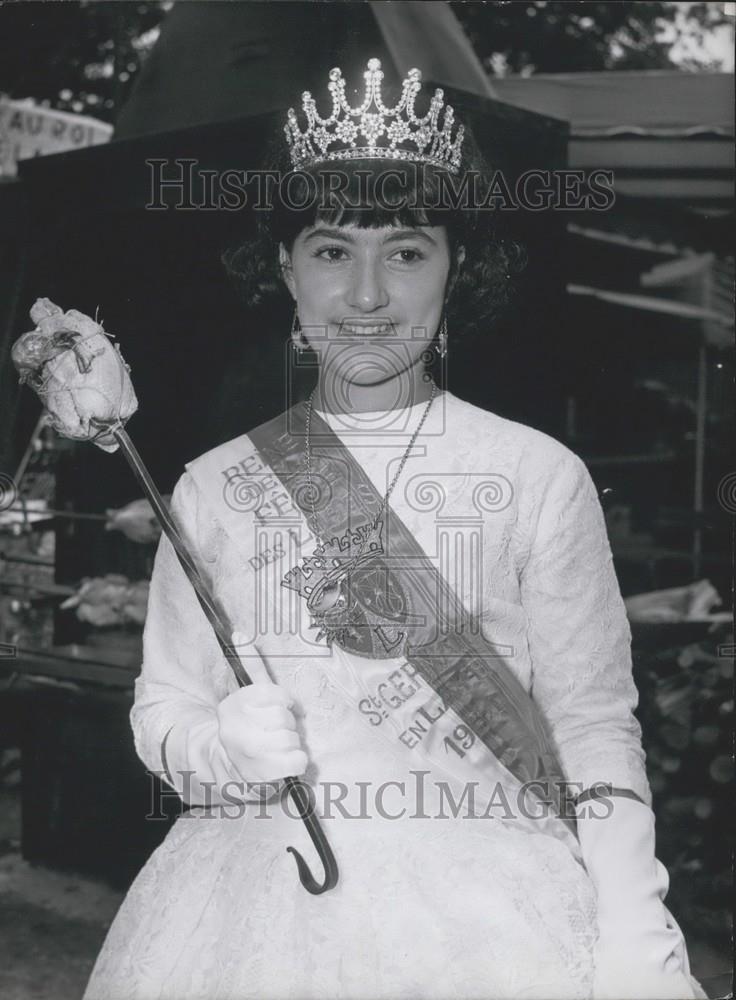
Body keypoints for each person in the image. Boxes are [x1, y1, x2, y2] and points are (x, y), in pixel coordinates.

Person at [84, 59, 705, 1000]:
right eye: (333, 250)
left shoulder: (538, 477)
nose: (368, 296)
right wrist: (216, 749)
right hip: (248, 906)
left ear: (459, 267)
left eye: (407, 249)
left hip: (493, 918)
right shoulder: (212, 487)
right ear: (284, 268)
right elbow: (162, 707)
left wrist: (630, 917)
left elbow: (590, 721)